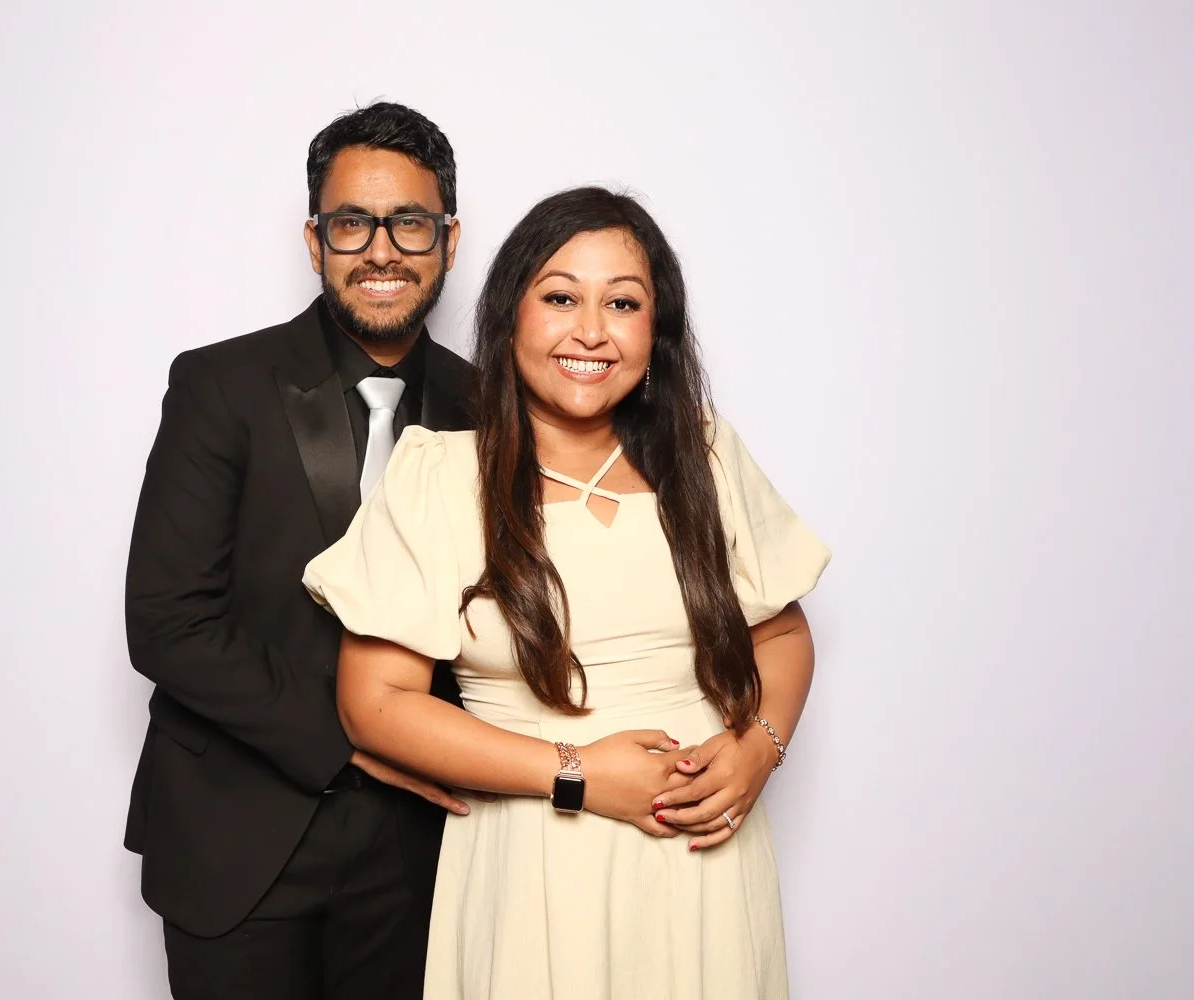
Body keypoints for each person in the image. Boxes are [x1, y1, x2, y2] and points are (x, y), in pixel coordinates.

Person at [303, 186, 832, 999]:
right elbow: (375, 702)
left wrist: (761, 747)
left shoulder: (705, 453)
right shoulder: (439, 477)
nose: (591, 331)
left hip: (704, 866)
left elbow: (781, 633)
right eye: (559, 298)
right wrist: (577, 772)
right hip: (532, 864)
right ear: (511, 315)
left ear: (656, 333)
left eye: (623, 302)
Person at [121, 102, 479, 999]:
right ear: (316, 241)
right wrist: (355, 736)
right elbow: (166, 623)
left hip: (425, 850)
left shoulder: (495, 412)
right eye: (353, 223)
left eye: (410, 222)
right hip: (235, 837)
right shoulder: (218, 386)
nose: (382, 250)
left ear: (448, 238)